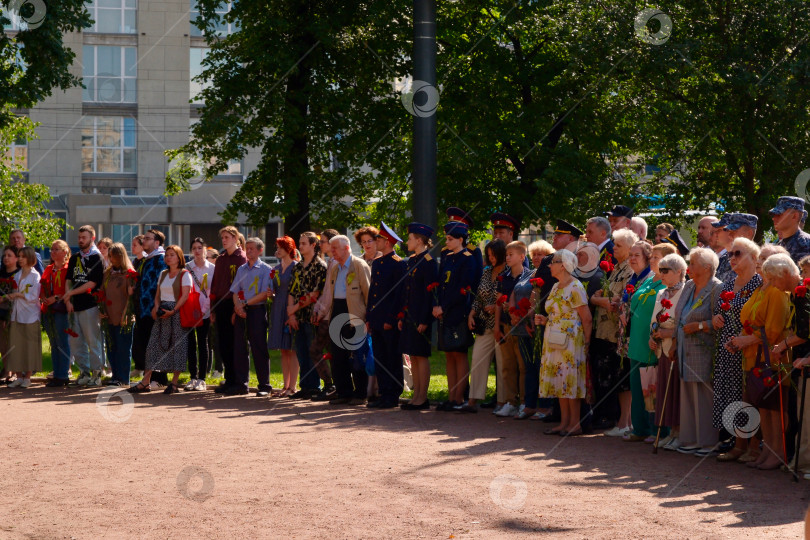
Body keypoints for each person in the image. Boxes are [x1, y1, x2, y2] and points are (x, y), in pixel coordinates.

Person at [729, 254, 796, 470]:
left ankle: (778, 452)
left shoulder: (776, 292)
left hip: (772, 357)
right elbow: (749, 321)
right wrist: (740, 339)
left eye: (764, 259)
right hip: (754, 357)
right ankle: (767, 450)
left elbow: (774, 330)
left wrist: (745, 339)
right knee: (764, 408)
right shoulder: (760, 289)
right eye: (759, 259)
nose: (759, 263)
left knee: (775, 408)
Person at [712, 238, 763, 462]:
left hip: (748, 348)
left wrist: (742, 340)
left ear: (753, 258)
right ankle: (737, 442)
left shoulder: (759, 283)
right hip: (727, 347)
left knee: (748, 396)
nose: (732, 258)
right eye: (730, 254)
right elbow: (717, 311)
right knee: (731, 395)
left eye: (738, 254)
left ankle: (751, 445)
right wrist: (715, 318)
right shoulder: (729, 282)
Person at [536, 249, 592, 436]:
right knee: (560, 381)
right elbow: (557, 313)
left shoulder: (575, 287)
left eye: (553, 262)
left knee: (570, 380)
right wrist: (544, 321)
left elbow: (586, 318)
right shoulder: (555, 286)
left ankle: (574, 423)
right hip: (554, 338)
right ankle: (564, 422)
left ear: (563, 265)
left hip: (571, 341)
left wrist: (587, 342)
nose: (549, 266)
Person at [673, 248, 722, 457]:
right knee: (688, 396)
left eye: (692, 263)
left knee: (704, 397)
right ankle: (690, 438)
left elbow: (720, 321)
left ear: (707, 268)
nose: (689, 267)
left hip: (704, 349)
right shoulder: (689, 285)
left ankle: (708, 442)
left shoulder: (717, 288)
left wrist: (700, 326)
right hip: (685, 348)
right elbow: (679, 316)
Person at [590, 228, 637, 433]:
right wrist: (600, 299)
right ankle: (618, 420)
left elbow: (617, 301)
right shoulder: (616, 268)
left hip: (617, 333)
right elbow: (608, 298)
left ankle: (624, 422)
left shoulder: (628, 270)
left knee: (622, 377)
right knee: (612, 378)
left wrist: (596, 299)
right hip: (606, 331)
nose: (613, 248)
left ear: (628, 248)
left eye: (617, 245)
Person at [622, 242, 669, 442]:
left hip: (651, 343)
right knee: (636, 387)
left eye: (656, 257)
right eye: (652, 257)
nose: (652, 260)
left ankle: (656, 429)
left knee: (652, 387)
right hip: (636, 343)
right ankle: (639, 428)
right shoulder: (649, 281)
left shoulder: (666, 284)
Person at [128, 245, 191, 394]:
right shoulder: (163, 273)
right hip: (162, 312)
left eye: (172, 255)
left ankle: (174, 384)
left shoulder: (184, 274)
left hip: (177, 313)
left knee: (177, 347)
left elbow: (185, 295)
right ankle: (145, 382)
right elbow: (157, 294)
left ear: (179, 257)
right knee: (153, 346)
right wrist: (156, 307)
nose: (168, 257)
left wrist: (173, 310)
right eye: (167, 255)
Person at [317, 235, 371, 405]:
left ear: (346, 248)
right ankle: (343, 392)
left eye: (335, 248)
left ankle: (360, 394)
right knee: (338, 355)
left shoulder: (359, 265)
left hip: (355, 314)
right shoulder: (334, 268)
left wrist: (368, 319)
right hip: (337, 312)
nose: (331, 251)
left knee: (356, 354)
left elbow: (368, 293)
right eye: (331, 248)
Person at [434, 220, 476, 411]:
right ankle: (451, 396)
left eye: (450, 239)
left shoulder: (468, 258)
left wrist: (445, 306)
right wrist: (438, 305)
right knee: (449, 354)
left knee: (459, 353)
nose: (447, 242)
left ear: (461, 239)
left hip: (458, 312)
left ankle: (459, 398)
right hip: (445, 312)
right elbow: (442, 285)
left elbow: (463, 289)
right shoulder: (448, 257)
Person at [460, 239, 506, 413]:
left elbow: (509, 296)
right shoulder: (487, 272)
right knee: (477, 360)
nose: (491, 258)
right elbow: (479, 296)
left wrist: (496, 307)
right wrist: (472, 313)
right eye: (489, 255)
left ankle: (502, 401)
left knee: (502, 365)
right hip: (484, 324)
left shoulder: (508, 272)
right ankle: (473, 400)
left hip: (501, 325)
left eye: (494, 255)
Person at [648, 253, 687, 450]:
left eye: (665, 270)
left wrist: (669, 333)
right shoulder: (661, 293)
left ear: (679, 271)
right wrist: (652, 335)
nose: (661, 274)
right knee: (664, 391)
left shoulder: (686, 291)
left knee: (676, 392)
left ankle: (679, 433)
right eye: (659, 270)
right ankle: (670, 432)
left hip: (676, 349)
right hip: (661, 350)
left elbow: (683, 323)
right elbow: (655, 319)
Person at [366, 222, 407, 409]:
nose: (376, 242)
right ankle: (384, 393)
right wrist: (369, 317)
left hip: (388, 320)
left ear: (388, 241)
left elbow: (399, 296)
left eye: (379, 239)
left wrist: (391, 319)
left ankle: (393, 394)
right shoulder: (377, 263)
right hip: (376, 320)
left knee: (392, 357)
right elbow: (372, 292)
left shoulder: (398, 264)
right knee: (380, 358)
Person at [399, 223, 438, 410]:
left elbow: (429, 294)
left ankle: (423, 397)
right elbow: (407, 290)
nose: (407, 241)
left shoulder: (429, 262)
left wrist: (424, 319)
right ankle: (416, 395)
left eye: (410, 238)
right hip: (409, 315)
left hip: (421, 316)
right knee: (413, 355)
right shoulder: (413, 260)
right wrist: (402, 315)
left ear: (420, 240)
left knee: (421, 356)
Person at [492, 240, 533, 417]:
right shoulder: (503, 277)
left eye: (511, 255)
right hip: (507, 325)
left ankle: (525, 401)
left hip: (523, 327)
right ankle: (510, 401)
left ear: (522, 257)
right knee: (508, 365)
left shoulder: (530, 276)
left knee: (523, 365)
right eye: (507, 255)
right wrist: (496, 326)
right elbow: (499, 303)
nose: (507, 258)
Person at [227, 237, 272, 396]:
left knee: (259, 347)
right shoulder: (241, 269)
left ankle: (264, 386)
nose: (249, 251)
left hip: (257, 311)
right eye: (247, 248)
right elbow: (234, 291)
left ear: (260, 251)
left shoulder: (266, 269)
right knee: (240, 347)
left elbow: (264, 294)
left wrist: (244, 303)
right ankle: (241, 384)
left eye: (252, 248)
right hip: (241, 311)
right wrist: (238, 306)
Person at [62, 225, 105, 387]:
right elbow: (68, 280)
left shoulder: (97, 258)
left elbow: (92, 283)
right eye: (79, 238)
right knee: (76, 342)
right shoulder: (75, 258)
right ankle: (84, 373)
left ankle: (97, 374)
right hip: (74, 306)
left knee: (93, 341)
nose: (80, 240)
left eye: (84, 238)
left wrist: (70, 294)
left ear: (92, 238)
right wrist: (68, 301)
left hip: (90, 305)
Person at [289, 232, 328, 399]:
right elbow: (291, 290)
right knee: (301, 351)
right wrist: (291, 313)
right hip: (298, 316)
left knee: (313, 351)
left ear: (314, 245)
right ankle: (305, 386)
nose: (300, 246)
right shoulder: (297, 267)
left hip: (312, 316)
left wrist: (294, 308)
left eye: (304, 243)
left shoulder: (320, 266)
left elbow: (315, 293)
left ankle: (314, 386)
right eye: (300, 242)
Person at [210, 226, 247, 394]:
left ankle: (239, 381)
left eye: (227, 237)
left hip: (235, 305)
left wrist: (237, 308)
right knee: (223, 344)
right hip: (221, 304)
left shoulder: (241, 258)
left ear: (235, 238)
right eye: (222, 237)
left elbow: (242, 286)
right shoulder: (221, 259)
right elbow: (215, 284)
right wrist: (213, 308)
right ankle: (229, 379)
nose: (224, 240)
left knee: (236, 344)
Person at [131, 229, 169, 388]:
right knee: (146, 344)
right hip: (143, 309)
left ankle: (160, 379)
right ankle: (148, 378)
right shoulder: (147, 260)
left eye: (148, 238)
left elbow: (161, 285)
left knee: (157, 344)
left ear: (157, 243)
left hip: (154, 309)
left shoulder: (161, 259)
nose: (144, 241)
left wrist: (157, 305)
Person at [307, 229, 339, 400]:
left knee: (317, 350)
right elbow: (326, 291)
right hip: (326, 314)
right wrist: (317, 310)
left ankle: (332, 385)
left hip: (331, 315)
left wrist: (321, 311)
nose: (320, 244)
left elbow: (330, 293)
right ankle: (332, 385)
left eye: (323, 241)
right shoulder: (331, 261)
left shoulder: (334, 262)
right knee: (326, 351)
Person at [100, 243, 136, 386]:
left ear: (120, 256)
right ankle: (115, 376)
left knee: (123, 348)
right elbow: (101, 293)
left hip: (123, 316)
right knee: (111, 347)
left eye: (113, 256)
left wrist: (126, 314)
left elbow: (130, 297)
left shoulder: (129, 273)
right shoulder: (107, 273)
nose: (110, 259)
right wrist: (101, 310)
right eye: (109, 256)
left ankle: (123, 378)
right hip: (108, 316)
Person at [5, 247, 41, 388]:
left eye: (23, 257)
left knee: (30, 346)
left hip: (30, 315)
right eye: (19, 256)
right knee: (16, 346)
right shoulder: (17, 275)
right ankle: (18, 376)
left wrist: (18, 295)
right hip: (16, 314)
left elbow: (33, 297)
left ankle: (27, 377)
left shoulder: (35, 275)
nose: (20, 259)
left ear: (30, 258)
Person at [268, 236, 298, 397]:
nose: (277, 250)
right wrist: (270, 294)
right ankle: (285, 386)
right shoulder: (276, 269)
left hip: (290, 310)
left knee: (292, 349)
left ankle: (293, 386)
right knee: (283, 350)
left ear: (289, 249)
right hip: (277, 309)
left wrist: (293, 313)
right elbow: (275, 291)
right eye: (277, 247)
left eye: (280, 247)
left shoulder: (296, 267)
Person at [185, 237, 215, 391]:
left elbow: (213, 292)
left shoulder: (212, 268)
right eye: (194, 248)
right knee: (190, 344)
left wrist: (204, 310)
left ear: (205, 250)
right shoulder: (187, 267)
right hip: (189, 311)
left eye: (199, 248)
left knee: (203, 344)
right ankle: (192, 377)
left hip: (205, 311)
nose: (197, 251)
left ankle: (202, 378)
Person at [41, 240, 71, 387]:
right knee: (53, 342)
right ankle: (56, 373)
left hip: (62, 309)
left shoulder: (68, 268)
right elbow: (43, 285)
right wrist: (44, 298)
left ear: (65, 252)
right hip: (49, 309)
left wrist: (56, 297)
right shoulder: (48, 269)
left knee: (62, 342)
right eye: (52, 249)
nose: (52, 252)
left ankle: (63, 374)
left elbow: (70, 288)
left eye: (56, 249)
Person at [0, 246, 19, 383]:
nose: (6, 257)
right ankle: (6, 369)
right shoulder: (0, 273)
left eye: (9, 255)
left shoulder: (19, 274)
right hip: (0, 312)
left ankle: (15, 372)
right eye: (4, 255)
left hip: (14, 312)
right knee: (3, 343)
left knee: (14, 343)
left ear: (16, 258)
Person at [771, 196, 810, 263]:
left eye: (779, 214)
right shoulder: (778, 246)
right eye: (774, 214)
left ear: (795, 216)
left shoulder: (806, 244)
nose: (774, 218)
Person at [205, 248, 223, 377]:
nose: (206, 260)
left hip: (216, 308)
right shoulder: (205, 272)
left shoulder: (218, 272)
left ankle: (219, 369)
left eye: (208, 257)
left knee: (217, 339)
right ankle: (206, 368)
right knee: (207, 340)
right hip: (205, 309)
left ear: (215, 259)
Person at [710, 214, 736, 284]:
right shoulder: (724, 258)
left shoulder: (739, 259)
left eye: (719, 230)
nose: (716, 234)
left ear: (730, 232)